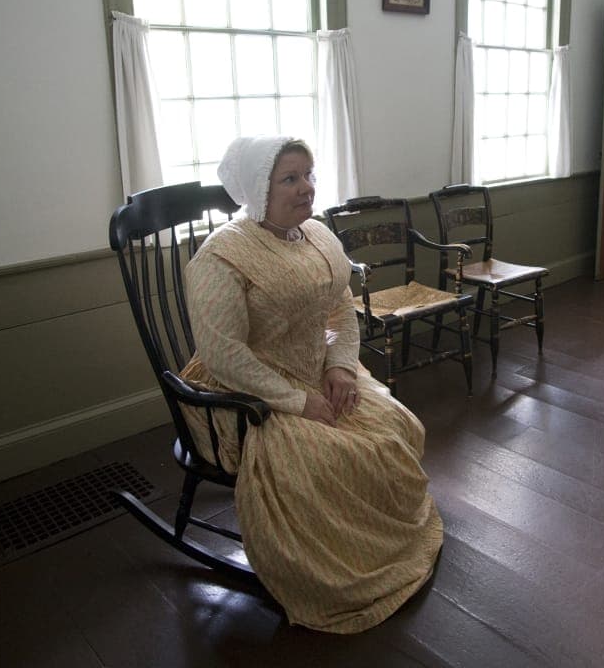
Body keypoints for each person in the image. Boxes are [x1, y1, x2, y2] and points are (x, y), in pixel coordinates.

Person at [178, 135, 444, 634]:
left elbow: (340, 306)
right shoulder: (223, 256)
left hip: (316, 369)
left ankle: (379, 537)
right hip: (245, 395)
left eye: (309, 174)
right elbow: (224, 355)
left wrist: (340, 367)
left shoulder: (317, 235)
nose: (307, 189)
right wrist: (297, 401)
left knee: (397, 428)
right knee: (330, 458)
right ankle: (342, 569)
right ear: (258, 188)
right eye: (290, 178)